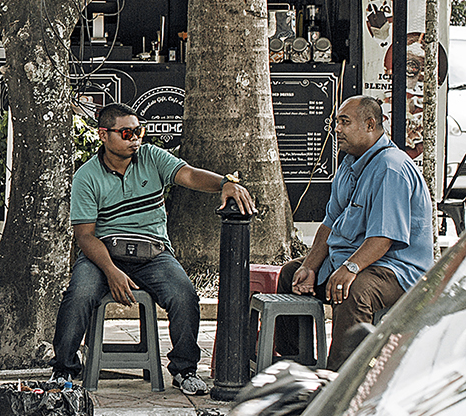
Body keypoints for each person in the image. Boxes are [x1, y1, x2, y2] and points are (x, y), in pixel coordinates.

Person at [52, 102, 257, 396]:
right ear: (103, 135)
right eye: (126, 132)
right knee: (79, 293)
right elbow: (84, 236)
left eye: (139, 131)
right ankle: (63, 370)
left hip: (153, 253)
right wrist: (111, 271)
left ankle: (184, 370)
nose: (135, 138)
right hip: (104, 254)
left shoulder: (151, 157)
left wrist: (224, 183)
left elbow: (188, 175)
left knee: (184, 294)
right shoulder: (87, 175)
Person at [279, 95, 431, 369]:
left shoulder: (390, 167)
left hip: (397, 269)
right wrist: (311, 266)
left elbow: (382, 239)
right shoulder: (349, 163)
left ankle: (342, 384)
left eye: (345, 122)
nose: (337, 129)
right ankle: (294, 367)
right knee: (292, 274)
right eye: (337, 122)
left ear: (370, 124)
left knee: (351, 290)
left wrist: (350, 267)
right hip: (356, 258)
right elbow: (330, 222)